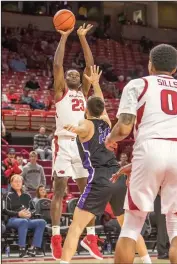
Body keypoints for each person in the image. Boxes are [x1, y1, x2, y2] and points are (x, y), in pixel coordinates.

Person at [105, 44, 177, 264]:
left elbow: (124, 128)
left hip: (149, 148)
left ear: (150, 64)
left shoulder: (137, 84)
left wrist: (111, 138)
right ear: (175, 68)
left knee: (132, 225)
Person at [60, 66, 151, 264]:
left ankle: (63, 262)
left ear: (85, 110)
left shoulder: (86, 124)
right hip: (118, 176)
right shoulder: (106, 122)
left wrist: (74, 127)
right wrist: (94, 83)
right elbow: (99, 103)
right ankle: (146, 260)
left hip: (100, 178)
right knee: (129, 226)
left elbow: (82, 127)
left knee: (76, 227)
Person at [50, 23, 95, 260]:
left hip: (81, 144)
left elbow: (90, 66)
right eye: (70, 75)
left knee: (88, 191)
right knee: (59, 190)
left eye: (76, 74)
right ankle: (56, 237)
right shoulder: (61, 92)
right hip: (63, 142)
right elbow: (57, 65)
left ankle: (91, 235)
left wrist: (82, 38)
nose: (73, 75)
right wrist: (65, 37)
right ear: (65, 80)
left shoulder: (84, 92)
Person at [5, 174, 47, 258]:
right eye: (16, 181)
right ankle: (22, 249)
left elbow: (33, 209)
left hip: (27, 219)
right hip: (12, 219)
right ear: (11, 183)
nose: (18, 183)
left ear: (22, 183)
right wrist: (18, 214)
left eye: (19, 181)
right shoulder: (7, 195)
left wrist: (30, 213)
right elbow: (5, 210)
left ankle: (33, 248)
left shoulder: (27, 195)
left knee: (42, 222)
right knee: (23, 221)